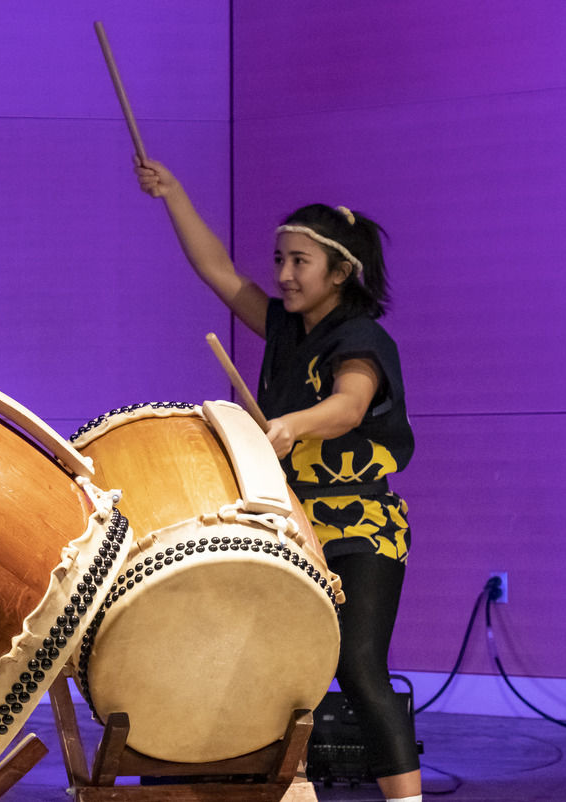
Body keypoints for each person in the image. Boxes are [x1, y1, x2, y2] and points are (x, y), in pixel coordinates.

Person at [135, 158, 421, 802]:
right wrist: (174, 192)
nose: (283, 274)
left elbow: (349, 404)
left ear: (341, 273)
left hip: (359, 530)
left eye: (299, 262)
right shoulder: (288, 331)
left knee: (358, 669)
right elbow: (218, 272)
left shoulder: (362, 337)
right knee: (271, 669)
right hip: (291, 527)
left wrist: (293, 424)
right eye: (280, 258)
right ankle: (281, 789)